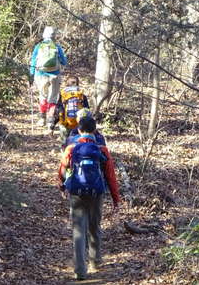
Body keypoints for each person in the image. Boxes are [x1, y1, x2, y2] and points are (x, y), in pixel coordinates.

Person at [58, 116, 120, 280]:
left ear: (78, 129)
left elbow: (62, 170)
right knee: (95, 226)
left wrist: (63, 186)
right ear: (95, 130)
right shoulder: (102, 149)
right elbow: (110, 176)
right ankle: (95, 261)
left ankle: (80, 270)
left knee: (78, 231)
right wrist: (115, 199)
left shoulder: (71, 148)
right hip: (97, 193)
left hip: (76, 192)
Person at [30, 26, 67, 130]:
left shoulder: (38, 46)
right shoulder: (57, 46)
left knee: (43, 96)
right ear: (53, 36)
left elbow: (33, 60)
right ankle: (50, 121)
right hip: (55, 75)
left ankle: (42, 118)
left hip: (40, 74)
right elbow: (64, 62)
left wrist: (31, 73)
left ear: (44, 35)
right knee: (53, 98)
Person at [50, 76, 89, 142]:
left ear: (67, 85)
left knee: (64, 142)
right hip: (79, 124)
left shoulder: (63, 95)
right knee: (78, 141)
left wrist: (52, 126)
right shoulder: (81, 95)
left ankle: (65, 150)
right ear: (78, 84)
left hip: (65, 123)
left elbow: (58, 110)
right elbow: (86, 110)